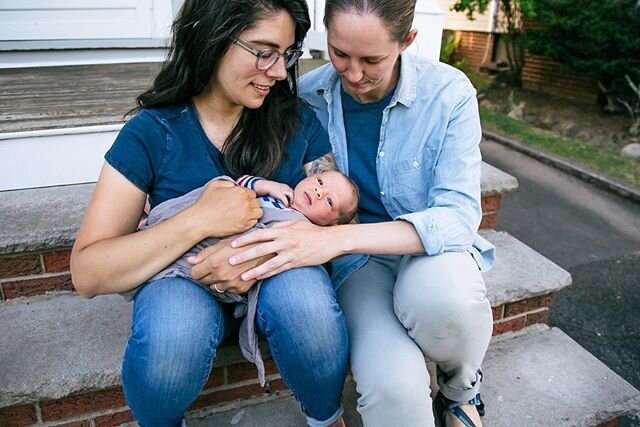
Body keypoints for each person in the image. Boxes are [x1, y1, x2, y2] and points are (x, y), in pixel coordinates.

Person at [214, 0, 496, 426]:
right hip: (359, 267)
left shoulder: (448, 94)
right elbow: (272, 170)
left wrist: (333, 239)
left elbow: (457, 218)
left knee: (443, 303)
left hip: (431, 251)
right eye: (339, 53)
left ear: (407, 42)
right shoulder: (307, 97)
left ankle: (460, 390)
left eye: (372, 59)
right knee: (392, 391)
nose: (353, 74)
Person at [69, 0, 349, 426]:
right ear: (212, 37)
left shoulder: (298, 123)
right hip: (182, 278)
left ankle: (326, 419)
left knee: (307, 309)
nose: (278, 72)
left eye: (287, 54)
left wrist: (257, 254)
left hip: (281, 271)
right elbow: (88, 273)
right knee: (171, 340)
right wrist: (197, 221)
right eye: (263, 51)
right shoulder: (152, 132)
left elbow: (340, 217)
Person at [132, 171, 358, 387]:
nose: (319, 192)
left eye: (329, 201)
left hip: (230, 263)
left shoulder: (307, 232)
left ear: (332, 225)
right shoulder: (279, 193)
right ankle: (156, 225)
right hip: (214, 222)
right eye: (319, 182)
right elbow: (241, 184)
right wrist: (266, 185)